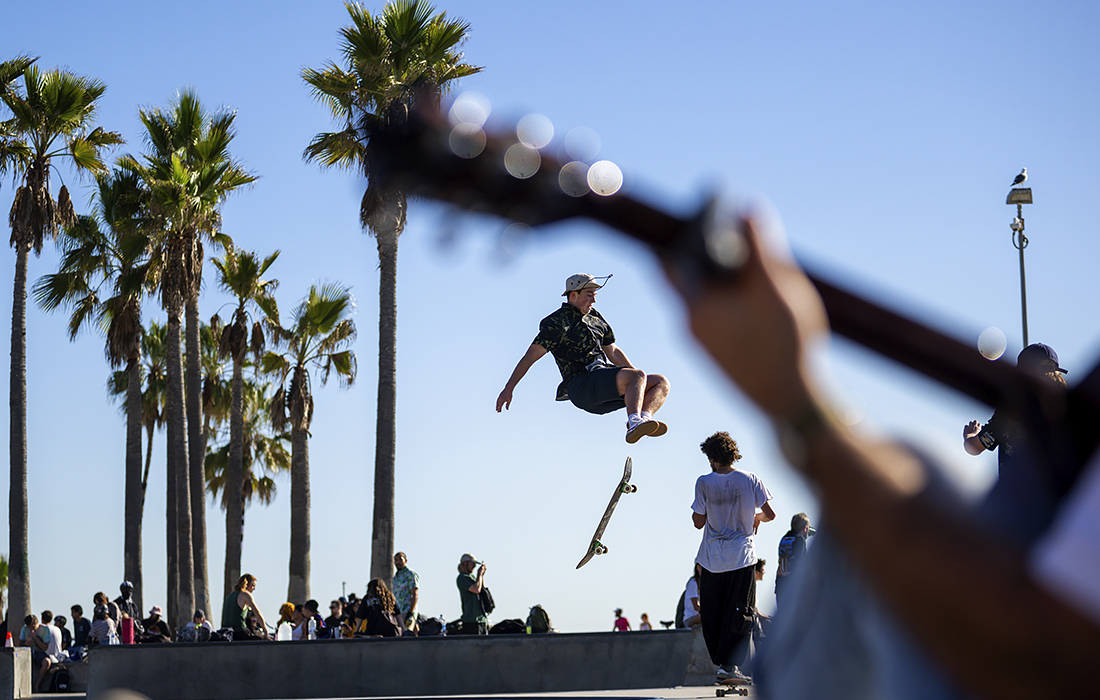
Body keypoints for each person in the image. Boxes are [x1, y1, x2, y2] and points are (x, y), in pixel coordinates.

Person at [666, 212, 1100, 698]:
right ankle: (739, 668)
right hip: (743, 555)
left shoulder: (1021, 410)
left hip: (1027, 556)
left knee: (898, 482)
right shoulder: (1063, 410)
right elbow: (764, 512)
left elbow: (976, 448)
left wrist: (798, 407)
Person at [496, 273, 671, 443]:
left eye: (594, 296)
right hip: (582, 385)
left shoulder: (595, 318)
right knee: (637, 376)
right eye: (589, 295)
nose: (594, 300)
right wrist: (508, 388)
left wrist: (638, 383)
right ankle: (634, 423)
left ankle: (642, 420)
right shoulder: (557, 322)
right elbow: (530, 357)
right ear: (573, 295)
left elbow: (613, 351)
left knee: (659, 382)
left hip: (602, 382)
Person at [963, 342, 1070, 543]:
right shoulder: (1071, 413)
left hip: (1014, 515)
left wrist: (970, 435)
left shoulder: (1013, 410)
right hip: (1059, 515)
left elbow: (974, 447)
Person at [691, 431, 776, 683]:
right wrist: (755, 517)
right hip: (742, 556)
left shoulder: (704, 482)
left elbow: (698, 523)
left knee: (714, 611)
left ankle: (724, 666)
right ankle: (729, 667)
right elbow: (770, 513)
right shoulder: (751, 479)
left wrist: (711, 508)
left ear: (712, 458)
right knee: (740, 609)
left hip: (712, 558)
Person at [774, 513, 812, 610]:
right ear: (804, 529)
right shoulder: (800, 539)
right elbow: (800, 562)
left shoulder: (785, 538)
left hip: (780, 583)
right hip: (792, 586)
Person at [221, 573, 270, 640]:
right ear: (246, 585)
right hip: (239, 632)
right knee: (263, 639)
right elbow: (257, 613)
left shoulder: (230, 595)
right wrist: (266, 631)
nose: (254, 589)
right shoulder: (246, 594)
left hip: (227, 633)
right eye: (252, 586)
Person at [455, 554, 488, 635]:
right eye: (472, 563)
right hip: (471, 620)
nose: (474, 566)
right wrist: (479, 575)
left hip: (482, 619)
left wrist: (481, 576)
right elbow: (476, 589)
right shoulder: (462, 578)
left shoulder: (472, 577)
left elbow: (481, 589)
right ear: (465, 563)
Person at [392, 551, 420, 634]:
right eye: (396, 560)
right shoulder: (395, 577)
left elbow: (415, 594)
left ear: (405, 561)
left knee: (407, 635)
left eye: (400, 560)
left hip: (407, 611)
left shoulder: (410, 574)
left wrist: (411, 612)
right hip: (398, 612)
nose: (398, 562)